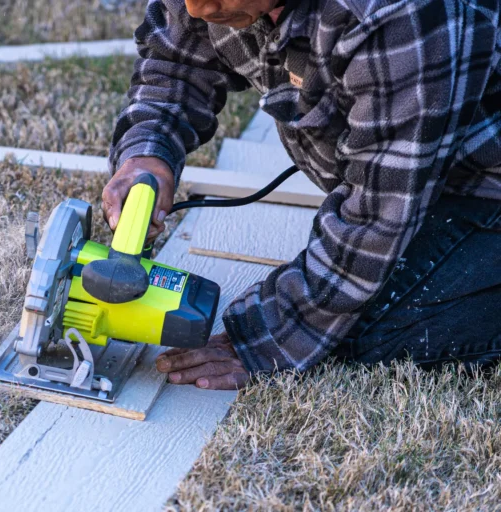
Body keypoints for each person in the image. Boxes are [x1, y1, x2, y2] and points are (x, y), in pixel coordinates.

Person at [102, 0, 501, 390]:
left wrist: (269, 336)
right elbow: (177, 63)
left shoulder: (395, 13)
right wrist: (148, 153)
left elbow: (376, 214)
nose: (196, 8)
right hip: (420, 175)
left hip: (483, 191)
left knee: (366, 331)